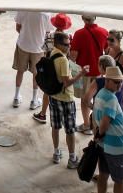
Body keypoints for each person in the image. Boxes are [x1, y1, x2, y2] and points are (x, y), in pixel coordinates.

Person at [47, 30, 88, 168]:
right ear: (58, 44)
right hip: (66, 98)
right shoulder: (63, 60)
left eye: (69, 44)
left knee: (55, 126)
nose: (69, 46)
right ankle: (72, 159)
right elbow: (67, 82)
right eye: (66, 44)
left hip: (53, 96)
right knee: (70, 130)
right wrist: (81, 73)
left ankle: (56, 153)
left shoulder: (52, 53)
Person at [71, 14, 109, 134]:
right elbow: (107, 52)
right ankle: (96, 124)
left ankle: (87, 125)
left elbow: (73, 56)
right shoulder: (104, 32)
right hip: (99, 72)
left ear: (83, 18)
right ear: (95, 17)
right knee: (97, 99)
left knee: (85, 100)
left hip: (84, 73)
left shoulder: (79, 34)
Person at [93, 67, 123, 188]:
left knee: (103, 174)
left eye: (121, 82)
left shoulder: (100, 93)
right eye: (116, 82)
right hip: (114, 146)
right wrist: (100, 134)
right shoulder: (111, 99)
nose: (120, 85)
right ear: (107, 80)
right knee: (119, 180)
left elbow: (95, 118)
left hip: (104, 145)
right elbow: (105, 122)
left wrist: (98, 136)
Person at [34, 13, 73, 124]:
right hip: (63, 66)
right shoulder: (68, 37)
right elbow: (69, 54)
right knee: (61, 91)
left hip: (49, 67)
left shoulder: (49, 35)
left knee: (48, 90)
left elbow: (44, 51)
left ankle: (43, 114)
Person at [12, 10, 52, 110]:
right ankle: (34, 100)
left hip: (23, 45)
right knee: (36, 74)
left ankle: (16, 97)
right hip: (38, 48)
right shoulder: (46, 13)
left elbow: (18, 27)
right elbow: (47, 32)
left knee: (20, 71)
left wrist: (26, 36)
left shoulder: (24, 10)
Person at [106, 29, 123, 111]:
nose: (109, 42)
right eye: (107, 39)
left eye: (111, 40)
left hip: (120, 89)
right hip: (109, 87)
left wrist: (116, 78)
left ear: (118, 41)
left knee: (119, 116)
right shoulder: (108, 50)